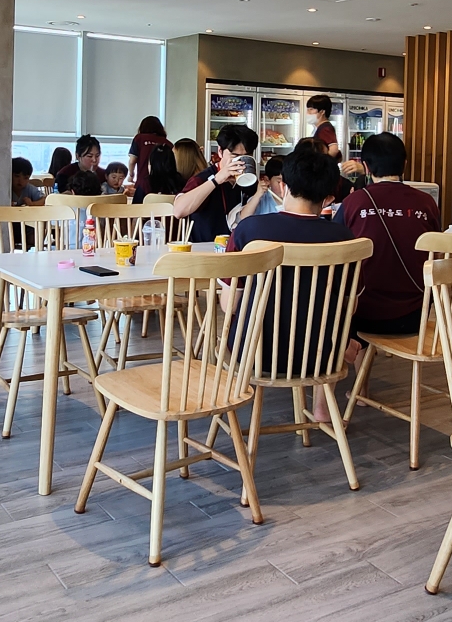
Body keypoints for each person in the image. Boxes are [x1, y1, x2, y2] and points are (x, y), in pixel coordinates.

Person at [226, 142, 352, 416]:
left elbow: (229, 305)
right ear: (329, 198)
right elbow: (348, 305)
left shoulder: (249, 230)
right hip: (321, 355)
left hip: (254, 352)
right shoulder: (345, 238)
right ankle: (323, 409)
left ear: (283, 187)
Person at [334, 132, 438, 341]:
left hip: (362, 314)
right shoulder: (426, 203)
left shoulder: (354, 202)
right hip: (416, 314)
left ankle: (357, 356)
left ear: (366, 167)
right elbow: (436, 252)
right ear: (404, 164)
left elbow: (335, 247)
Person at [174, 126, 263, 241]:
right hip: (206, 247)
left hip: (239, 247)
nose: (241, 161)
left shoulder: (250, 181)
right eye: (235, 156)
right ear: (220, 152)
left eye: (247, 156)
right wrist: (216, 180)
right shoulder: (202, 179)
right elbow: (178, 211)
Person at [127, 116, 171, 203]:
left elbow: (132, 161)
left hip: (143, 182)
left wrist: (131, 175)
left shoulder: (139, 138)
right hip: (164, 185)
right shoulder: (168, 143)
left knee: (139, 209)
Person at [306, 94, 340, 158]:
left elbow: (334, 150)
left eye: (311, 109)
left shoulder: (325, 128)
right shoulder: (321, 127)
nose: (308, 112)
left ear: (322, 112)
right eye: (307, 109)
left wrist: (322, 162)